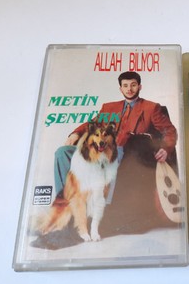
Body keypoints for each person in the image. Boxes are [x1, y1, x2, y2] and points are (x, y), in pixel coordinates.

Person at [54, 71, 177, 199]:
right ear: (120, 89)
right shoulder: (109, 108)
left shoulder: (151, 108)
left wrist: (166, 148)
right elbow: (93, 124)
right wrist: (76, 133)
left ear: (140, 87)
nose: (129, 89)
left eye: (133, 85)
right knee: (63, 152)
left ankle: (105, 202)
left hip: (127, 152)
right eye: (125, 85)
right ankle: (65, 200)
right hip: (102, 149)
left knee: (115, 155)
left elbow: (169, 130)